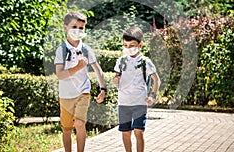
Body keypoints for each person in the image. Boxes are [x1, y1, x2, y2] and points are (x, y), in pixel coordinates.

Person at [54, 11, 106, 152]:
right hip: (65, 94)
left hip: (83, 92)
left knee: (79, 123)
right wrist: (77, 67)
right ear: (65, 27)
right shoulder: (62, 50)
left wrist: (103, 89)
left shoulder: (86, 50)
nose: (78, 30)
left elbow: (97, 69)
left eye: (81, 28)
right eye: (74, 27)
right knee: (67, 129)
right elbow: (59, 75)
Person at [113, 26, 160, 152]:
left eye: (132, 45)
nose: (128, 48)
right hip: (123, 103)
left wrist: (152, 95)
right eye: (126, 45)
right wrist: (115, 80)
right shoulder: (121, 61)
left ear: (140, 45)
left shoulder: (145, 62)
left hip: (140, 102)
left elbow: (157, 80)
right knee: (125, 132)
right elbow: (116, 77)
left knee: (138, 131)